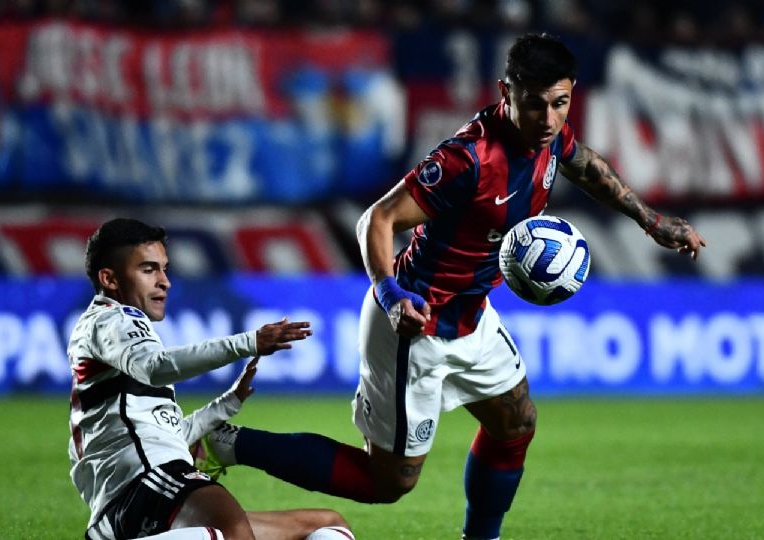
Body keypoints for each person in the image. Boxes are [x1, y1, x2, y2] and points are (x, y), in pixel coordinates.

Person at [196, 33, 706, 539]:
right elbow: (377, 219)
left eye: (560, 103)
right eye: (534, 104)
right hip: (415, 324)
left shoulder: (551, 136)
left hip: (471, 316)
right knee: (389, 482)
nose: (549, 119)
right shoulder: (469, 159)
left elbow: (586, 165)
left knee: (515, 424)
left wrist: (651, 220)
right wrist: (391, 293)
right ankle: (226, 442)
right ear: (506, 93)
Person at [68, 217, 356, 540]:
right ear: (109, 278)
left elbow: (169, 437)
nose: (165, 281)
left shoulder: (115, 342)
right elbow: (155, 366)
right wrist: (249, 342)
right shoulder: (112, 319)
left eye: (164, 269)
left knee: (329, 526)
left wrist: (227, 403)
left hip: (144, 495)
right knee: (229, 529)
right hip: (144, 484)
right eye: (149, 269)